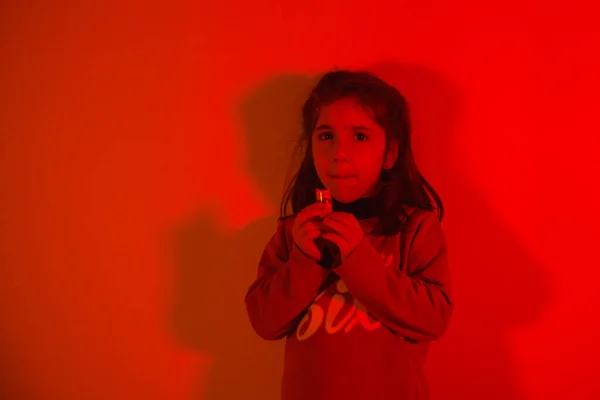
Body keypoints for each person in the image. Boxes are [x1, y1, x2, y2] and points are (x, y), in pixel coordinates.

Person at [244, 69, 453, 400]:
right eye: (326, 136)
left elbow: (433, 319)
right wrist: (305, 260)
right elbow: (264, 322)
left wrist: (358, 260)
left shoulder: (415, 228)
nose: (339, 152)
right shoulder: (293, 232)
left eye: (360, 136)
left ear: (390, 154)